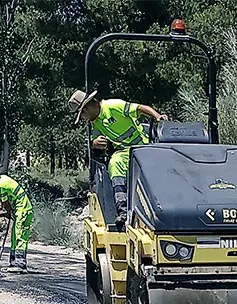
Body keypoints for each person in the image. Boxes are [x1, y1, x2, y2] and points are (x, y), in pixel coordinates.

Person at [67, 89, 167, 217]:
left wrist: (157, 116)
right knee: (115, 163)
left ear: (86, 109)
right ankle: (123, 209)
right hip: (124, 152)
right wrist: (94, 143)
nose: (82, 119)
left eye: (81, 115)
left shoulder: (113, 106)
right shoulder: (95, 123)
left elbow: (140, 108)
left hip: (143, 146)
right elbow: (92, 141)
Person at [0, 167, 33, 271]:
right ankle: (13, 262)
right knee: (14, 235)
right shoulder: (2, 179)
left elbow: (6, 204)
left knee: (20, 235)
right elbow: (2, 200)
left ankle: (20, 264)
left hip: (23, 209)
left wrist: (6, 213)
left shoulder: (0, 185)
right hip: (19, 209)